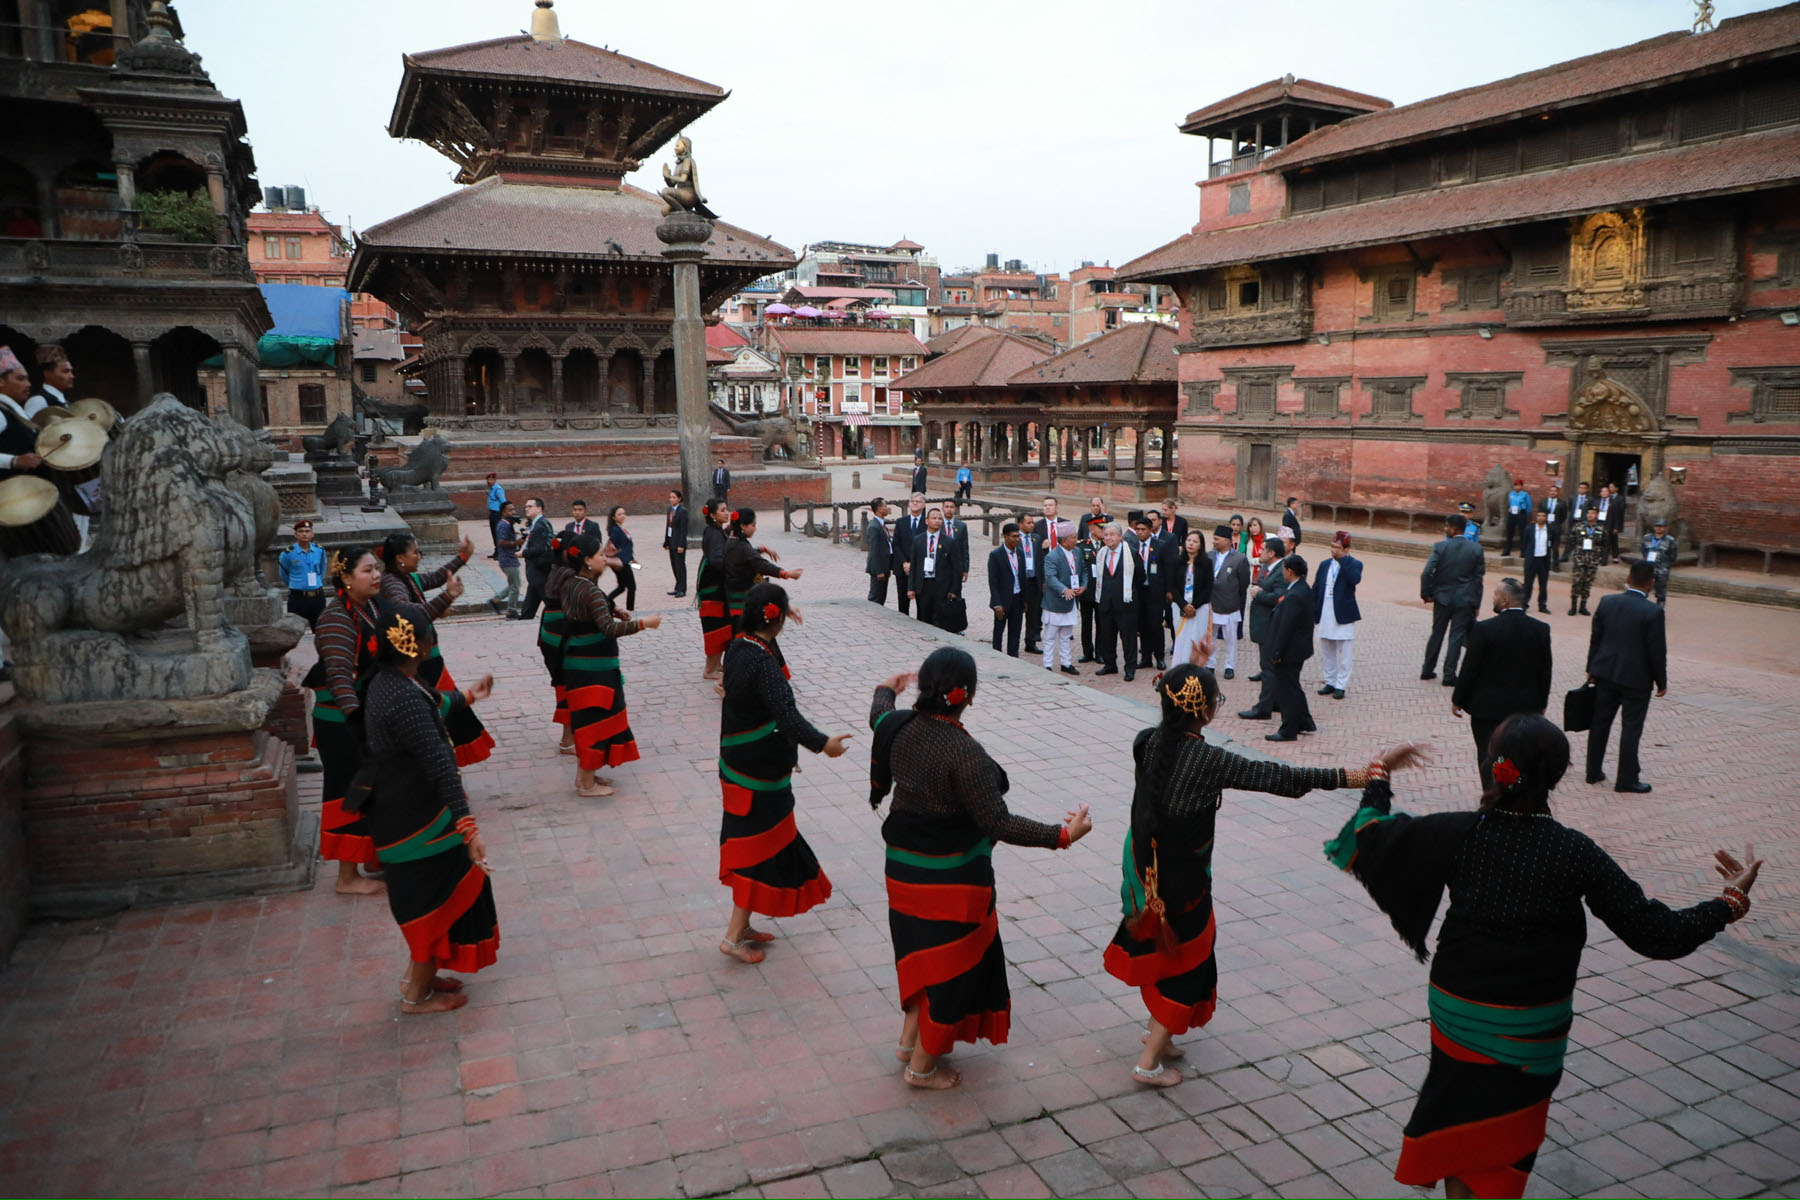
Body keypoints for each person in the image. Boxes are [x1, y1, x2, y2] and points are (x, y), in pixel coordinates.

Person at [1325, 715, 1759, 1200]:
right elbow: (1658, 934)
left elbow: (1370, 833)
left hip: (1459, 1009)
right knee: (1504, 1133)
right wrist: (1729, 904)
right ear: (1556, 775)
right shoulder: (1574, 852)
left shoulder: (1463, 833)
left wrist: (1380, 771)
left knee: (1460, 1112)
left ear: (1495, 768)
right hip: (1531, 1028)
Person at [1109, 663, 1412, 1086]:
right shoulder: (1208, 760)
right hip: (1184, 884)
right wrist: (1362, 775)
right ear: (1207, 712)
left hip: (1148, 874)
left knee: (1169, 954)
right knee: (1189, 961)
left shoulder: (1146, 742)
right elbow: (1283, 778)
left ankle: (1160, 1032)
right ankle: (1148, 1063)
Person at [869, 648, 1093, 1089]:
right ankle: (921, 1068)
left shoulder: (898, 728)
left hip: (902, 873)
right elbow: (999, 823)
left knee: (920, 957)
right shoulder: (964, 753)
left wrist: (885, 688)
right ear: (966, 696)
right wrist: (1062, 835)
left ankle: (908, 1042)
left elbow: (878, 714)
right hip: (950, 882)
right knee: (952, 970)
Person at [358, 606, 499, 1013]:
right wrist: (469, 829)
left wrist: (469, 695)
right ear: (419, 646)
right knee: (433, 900)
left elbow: (433, 702)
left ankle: (426, 978)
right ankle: (414, 995)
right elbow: (440, 764)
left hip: (406, 809)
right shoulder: (402, 695)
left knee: (438, 891)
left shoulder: (391, 682)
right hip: (414, 819)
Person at [717, 582, 851, 964]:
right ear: (774, 621)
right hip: (755, 774)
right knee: (758, 849)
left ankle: (740, 927)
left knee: (759, 845)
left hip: (740, 763)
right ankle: (731, 937)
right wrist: (823, 743)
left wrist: (777, 617)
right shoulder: (762, 661)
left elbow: (765, 647)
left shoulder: (741, 645)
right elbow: (787, 716)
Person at [304, 546, 390, 896]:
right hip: (341, 720)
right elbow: (340, 679)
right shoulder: (336, 618)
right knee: (349, 792)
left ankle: (372, 857)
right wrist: (359, 726)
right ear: (346, 577)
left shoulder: (368, 607)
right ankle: (346, 877)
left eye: (377, 569)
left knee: (374, 788)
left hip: (358, 714)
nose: (376, 575)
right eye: (368, 570)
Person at [553, 532, 660, 797]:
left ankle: (584, 776)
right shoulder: (589, 590)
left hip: (577, 662)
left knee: (586, 719)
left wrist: (612, 606)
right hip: (594, 668)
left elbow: (595, 611)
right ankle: (587, 785)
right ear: (587, 561)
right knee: (596, 721)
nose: (604, 558)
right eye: (600, 555)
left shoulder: (571, 581)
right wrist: (642, 624)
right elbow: (608, 629)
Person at [377, 533, 494, 767]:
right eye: (415, 552)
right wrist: (445, 600)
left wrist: (463, 556)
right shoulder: (392, 584)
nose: (419, 557)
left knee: (451, 713)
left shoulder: (407, 578)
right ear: (400, 557)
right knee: (445, 716)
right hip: (421, 665)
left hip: (430, 661)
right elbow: (410, 613)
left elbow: (437, 577)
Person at [1452, 578, 1552, 789]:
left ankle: (1491, 796)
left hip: (1487, 708)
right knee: (1519, 755)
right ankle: (1513, 795)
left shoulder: (1484, 630)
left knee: (1488, 754)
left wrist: (1458, 699)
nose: (1493, 598)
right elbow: (1544, 671)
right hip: (1524, 708)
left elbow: (1470, 668)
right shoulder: (1540, 629)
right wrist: (1542, 702)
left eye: (1496, 595)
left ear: (1505, 600)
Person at [1585, 561, 1667, 794]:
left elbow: (1596, 639)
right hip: (1636, 680)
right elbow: (1657, 651)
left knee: (1600, 723)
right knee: (1631, 728)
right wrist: (1661, 682)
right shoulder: (1653, 612)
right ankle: (1627, 779)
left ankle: (1593, 772)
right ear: (1650, 583)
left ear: (1628, 579)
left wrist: (1591, 667)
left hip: (1606, 673)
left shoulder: (1607, 602)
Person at [0, 345, 78, 558]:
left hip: (29, 502)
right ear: (1, 382)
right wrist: (13, 461)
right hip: (13, 504)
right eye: (21, 379)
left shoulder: (12, 411)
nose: (28, 384)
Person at [1421, 515, 1486, 686]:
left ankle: (1427, 670)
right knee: (1456, 638)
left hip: (1442, 599)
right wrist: (1476, 604)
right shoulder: (1476, 549)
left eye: (1447, 526)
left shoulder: (1441, 547)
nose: (1445, 529)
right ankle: (1449, 676)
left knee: (1436, 635)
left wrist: (1426, 594)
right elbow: (1478, 580)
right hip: (1464, 600)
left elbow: (1427, 572)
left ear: (1455, 529)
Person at [1264, 554, 1317, 742]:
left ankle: (1288, 729)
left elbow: (1287, 627)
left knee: (1287, 690)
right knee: (1293, 685)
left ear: (1290, 571)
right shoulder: (1302, 589)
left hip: (1290, 651)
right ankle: (1304, 721)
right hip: (1298, 649)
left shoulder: (1295, 594)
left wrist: (1277, 652)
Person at [724, 508, 801, 631]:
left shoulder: (733, 541)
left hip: (734, 594)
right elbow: (761, 565)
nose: (755, 528)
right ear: (743, 526)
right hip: (741, 596)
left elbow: (748, 556)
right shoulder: (741, 546)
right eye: (753, 525)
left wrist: (762, 549)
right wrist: (786, 574)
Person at [1236, 537, 1286, 720]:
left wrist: (1260, 594)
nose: (1260, 552)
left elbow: (1280, 596)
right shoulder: (1270, 568)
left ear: (1272, 553)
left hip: (1271, 626)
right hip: (1265, 625)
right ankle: (1276, 702)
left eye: (1263, 549)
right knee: (1269, 667)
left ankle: (1263, 708)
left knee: (1268, 668)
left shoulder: (1281, 571)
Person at [1312, 531, 1362, 700]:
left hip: (1343, 613)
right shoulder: (1325, 564)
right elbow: (1316, 587)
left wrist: (1343, 560)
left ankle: (1341, 685)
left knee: (1345, 652)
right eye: (1332, 547)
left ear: (1346, 549)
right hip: (1325, 610)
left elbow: (1354, 579)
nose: (1333, 551)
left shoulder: (1354, 564)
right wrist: (1312, 611)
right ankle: (1330, 681)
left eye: (1338, 548)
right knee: (1327, 649)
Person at [1091, 522, 1143, 679]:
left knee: (1128, 637)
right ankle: (1110, 664)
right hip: (1106, 603)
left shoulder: (1132, 553)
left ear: (1120, 536)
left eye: (1112, 534)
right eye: (1106, 535)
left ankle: (1130, 667)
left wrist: (1130, 593)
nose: (1108, 538)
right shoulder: (1101, 554)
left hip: (1126, 604)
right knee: (1107, 636)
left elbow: (1141, 577)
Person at [1040, 520, 1086, 675]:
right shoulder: (1052, 556)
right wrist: (1064, 589)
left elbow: (1084, 571)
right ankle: (1047, 664)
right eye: (1073, 537)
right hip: (1055, 602)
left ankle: (1066, 663)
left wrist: (1084, 585)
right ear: (1064, 540)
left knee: (1066, 635)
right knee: (1050, 636)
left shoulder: (1077, 552)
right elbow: (1050, 577)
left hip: (1071, 601)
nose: (1076, 540)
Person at [906, 507, 963, 630]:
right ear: (927, 521)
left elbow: (956, 568)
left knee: (940, 618)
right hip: (923, 585)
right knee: (923, 617)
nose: (937, 521)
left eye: (939, 518)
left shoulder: (949, 542)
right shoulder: (918, 540)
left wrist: (954, 590)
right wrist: (911, 587)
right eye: (934, 518)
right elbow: (914, 565)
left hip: (941, 586)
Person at [1206, 524, 1250, 680]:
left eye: (1217, 539)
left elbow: (1244, 583)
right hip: (1212, 603)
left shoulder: (1239, 558)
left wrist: (1233, 596)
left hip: (1230, 605)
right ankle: (1210, 664)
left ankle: (1229, 666)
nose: (1214, 542)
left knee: (1230, 639)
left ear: (1226, 540)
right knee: (1210, 637)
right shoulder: (1209, 555)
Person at [696, 499, 732, 679]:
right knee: (714, 628)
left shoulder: (716, 531)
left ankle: (717, 665)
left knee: (722, 626)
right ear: (712, 515)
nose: (727, 513)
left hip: (714, 586)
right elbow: (717, 560)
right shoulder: (713, 534)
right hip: (711, 589)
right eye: (723, 510)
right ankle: (710, 669)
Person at [1166, 530, 1213, 667]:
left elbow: (1208, 587)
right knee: (1181, 639)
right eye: (1189, 540)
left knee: (1196, 640)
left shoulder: (1207, 563)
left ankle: (1195, 670)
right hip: (1180, 607)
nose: (1191, 544)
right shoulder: (1177, 561)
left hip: (1199, 608)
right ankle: (1178, 668)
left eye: (1195, 541)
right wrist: (1184, 605)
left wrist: (1194, 606)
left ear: (1201, 545)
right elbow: (1172, 586)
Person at [1130, 515, 1164, 672]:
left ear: (1151, 530)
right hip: (1139, 591)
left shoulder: (1160, 546)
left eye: (1143, 529)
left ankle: (1160, 657)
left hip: (1155, 592)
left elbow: (1167, 570)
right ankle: (1145, 657)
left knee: (1155, 625)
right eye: (1137, 529)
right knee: (1142, 625)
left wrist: (1167, 591)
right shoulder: (1132, 546)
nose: (1140, 532)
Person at [278, 518, 328, 626]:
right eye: (300, 531)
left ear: (312, 534)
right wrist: (296, 584)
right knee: (295, 629)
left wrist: (317, 582)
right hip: (298, 598)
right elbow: (284, 573)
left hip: (317, 597)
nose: (304, 534)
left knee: (320, 628)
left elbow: (322, 568)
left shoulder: (319, 550)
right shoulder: (287, 554)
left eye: (307, 531)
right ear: (295, 535)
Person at [987, 522, 1026, 657]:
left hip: (1017, 598)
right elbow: (993, 581)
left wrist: (1024, 600)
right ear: (1005, 536)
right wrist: (996, 603)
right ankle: (997, 656)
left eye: (1018, 536)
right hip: (1002, 600)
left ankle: (1013, 656)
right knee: (999, 630)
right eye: (1014, 536)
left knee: (1015, 631)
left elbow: (1023, 577)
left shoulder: (1020, 553)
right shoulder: (996, 555)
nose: (1017, 539)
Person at [514, 497, 554, 620]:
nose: (526, 509)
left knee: (547, 598)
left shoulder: (541, 524)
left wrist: (523, 553)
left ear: (539, 509)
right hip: (536, 568)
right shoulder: (536, 524)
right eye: (526, 506)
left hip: (539, 567)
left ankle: (560, 616)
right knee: (532, 595)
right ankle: (526, 617)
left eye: (530, 506)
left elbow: (541, 548)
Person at [892, 493, 926, 618]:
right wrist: (905, 563)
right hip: (903, 568)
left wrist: (914, 563)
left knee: (922, 603)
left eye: (918, 501)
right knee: (903, 602)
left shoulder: (927, 522)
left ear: (924, 504)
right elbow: (896, 544)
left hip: (920, 569)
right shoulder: (901, 522)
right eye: (912, 501)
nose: (915, 503)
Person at [1566, 507, 1605, 616]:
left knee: (1587, 583)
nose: (1590, 515)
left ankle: (1583, 606)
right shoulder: (1579, 526)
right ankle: (1573, 606)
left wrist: (1599, 556)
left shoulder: (1601, 529)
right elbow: (1571, 539)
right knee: (1577, 581)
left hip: (1593, 560)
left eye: (1592, 513)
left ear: (1597, 515)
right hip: (1580, 559)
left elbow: (1604, 544)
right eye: (1588, 513)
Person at [1017, 511, 1043, 655]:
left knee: (1033, 613)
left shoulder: (1036, 538)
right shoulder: (1014, 538)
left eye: (1033, 522)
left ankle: (1031, 642)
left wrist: (1042, 580)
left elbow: (1041, 560)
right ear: (1021, 524)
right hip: (1021, 581)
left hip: (1034, 581)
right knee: (1017, 612)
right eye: (1029, 523)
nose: (1032, 525)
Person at [1077, 521, 1103, 662]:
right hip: (1087, 591)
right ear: (1092, 529)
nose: (1103, 531)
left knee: (1102, 624)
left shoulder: (1106, 545)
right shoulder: (1082, 546)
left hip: (1102, 591)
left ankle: (1100, 653)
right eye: (1100, 528)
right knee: (1086, 624)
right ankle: (1087, 652)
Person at [603, 504, 637, 613]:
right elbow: (612, 545)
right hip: (622, 562)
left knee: (622, 587)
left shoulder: (620, 528)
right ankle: (630, 609)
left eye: (624, 513)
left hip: (627, 560)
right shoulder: (615, 530)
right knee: (632, 586)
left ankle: (606, 602)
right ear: (614, 517)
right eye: (619, 514)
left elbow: (625, 546)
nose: (623, 516)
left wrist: (632, 559)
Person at [24, 342, 72, 418]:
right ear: (47, 373)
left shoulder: (64, 400)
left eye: (71, 371)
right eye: (65, 371)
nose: (71, 376)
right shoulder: (38, 400)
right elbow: (30, 428)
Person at [490, 502, 522, 617]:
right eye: (510, 510)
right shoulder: (504, 525)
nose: (513, 512)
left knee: (515, 584)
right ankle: (511, 611)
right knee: (515, 586)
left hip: (509, 558)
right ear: (504, 512)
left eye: (513, 510)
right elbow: (501, 542)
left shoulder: (507, 524)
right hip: (507, 560)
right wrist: (516, 543)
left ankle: (495, 600)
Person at [1520, 509, 1554, 614]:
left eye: (1543, 516)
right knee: (1528, 584)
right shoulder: (1529, 529)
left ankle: (1542, 605)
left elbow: (1552, 543)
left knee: (1543, 584)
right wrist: (1526, 555)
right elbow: (1524, 542)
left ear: (1546, 517)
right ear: (1536, 517)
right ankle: (1524, 604)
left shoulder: (1550, 529)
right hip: (1531, 560)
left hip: (1543, 560)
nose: (1540, 518)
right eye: (1539, 515)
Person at [864, 496, 893, 605]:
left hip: (884, 566)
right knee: (876, 597)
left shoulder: (881, 524)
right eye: (885, 506)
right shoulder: (874, 527)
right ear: (879, 508)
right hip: (878, 569)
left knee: (882, 596)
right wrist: (879, 571)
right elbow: (874, 551)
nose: (887, 508)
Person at [1641, 519, 1676, 605]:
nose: (1658, 528)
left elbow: (1673, 555)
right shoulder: (1647, 538)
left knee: (1661, 592)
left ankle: (1660, 610)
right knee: (1643, 589)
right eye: (1657, 526)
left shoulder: (1670, 540)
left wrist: (1665, 564)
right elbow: (1643, 550)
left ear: (1665, 528)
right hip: (1648, 568)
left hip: (1662, 570)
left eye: (1661, 527)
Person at [940, 499, 972, 589]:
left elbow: (965, 548)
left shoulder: (961, 526)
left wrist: (965, 569)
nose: (949, 509)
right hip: (940, 566)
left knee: (956, 594)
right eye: (946, 507)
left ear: (955, 509)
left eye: (951, 507)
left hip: (956, 566)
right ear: (942, 508)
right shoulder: (937, 524)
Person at [663, 489, 688, 598]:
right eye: (670, 497)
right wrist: (666, 541)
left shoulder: (683, 511)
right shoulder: (670, 510)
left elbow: (684, 530)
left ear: (679, 499)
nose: (671, 499)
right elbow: (668, 526)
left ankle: (682, 589)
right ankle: (677, 587)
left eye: (674, 497)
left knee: (680, 566)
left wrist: (681, 545)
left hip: (678, 543)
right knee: (674, 565)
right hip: (671, 541)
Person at [1502, 477, 1532, 556]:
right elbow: (1510, 503)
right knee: (1509, 532)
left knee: (1522, 533)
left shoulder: (1525, 495)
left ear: (1522, 486)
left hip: (1521, 514)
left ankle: (1523, 551)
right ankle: (1507, 550)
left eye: (1518, 485)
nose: (1517, 487)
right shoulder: (1511, 494)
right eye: (1515, 485)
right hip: (1512, 514)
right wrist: (1510, 508)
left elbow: (1529, 506)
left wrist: (1525, 513)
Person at [1542, 485, 1567, 571]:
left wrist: (1558, 523)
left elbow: (1564, 516)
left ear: (1557, 492)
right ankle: (1545, 564)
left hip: (1556, 527)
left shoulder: (1562, 503)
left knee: (1555, 547)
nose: (1553, 492)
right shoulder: (1544, 502)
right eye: (1551, 490)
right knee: (1545, 546)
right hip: (1545, 527)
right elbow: (1540, 513)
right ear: (1549, 492)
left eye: (1555, 491)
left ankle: (1555, 565)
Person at [1602, 482, 1627, 564]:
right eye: (1609, 487)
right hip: (1607, 522)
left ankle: (1614, 556)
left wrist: (1617, 526)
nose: (1610, 489)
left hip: (1615, 521)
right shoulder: (1607, 499)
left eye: (1612, 487)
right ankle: (1611, 556)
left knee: (1613, 540)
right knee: (1611, 539)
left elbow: (1620, 512)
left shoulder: (1620, 498)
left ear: (1616, 488)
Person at [484, 473, 507, 557]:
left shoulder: (498, 489)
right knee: (494, 533)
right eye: (488, 480)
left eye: (491, 479)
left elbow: (503, 502)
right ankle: (496, 551)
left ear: (495, 480)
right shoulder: (492, 489)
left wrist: (504, 514)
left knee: (498, 533)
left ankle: (500, 552)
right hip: (492, 513)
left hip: (497, 514)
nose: (489, 481)